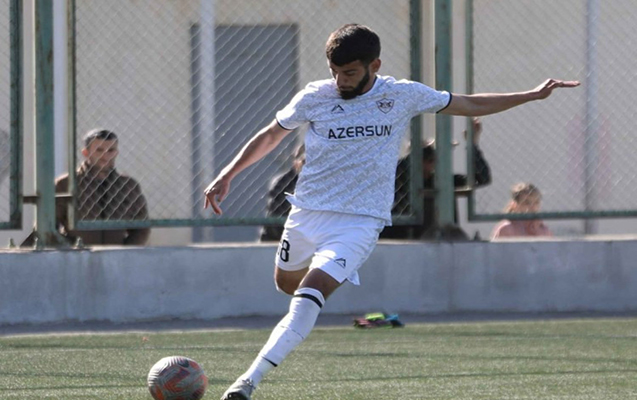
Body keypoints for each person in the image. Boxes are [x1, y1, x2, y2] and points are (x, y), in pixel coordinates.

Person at [203, 24, 578, 400]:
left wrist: (531, 95)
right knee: (287, 285)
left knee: (309, 295)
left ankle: (246, 382)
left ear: (375, 65)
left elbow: (469, 104)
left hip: (359, 223)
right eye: (335, 71)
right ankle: (302, 303)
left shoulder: (401, 95)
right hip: (307, 213)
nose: (340, 80)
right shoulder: (315, 96)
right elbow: (272, 133)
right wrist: (227, 174)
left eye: (350, 72)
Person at [381, 117, 491, 240]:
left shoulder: (443, 181)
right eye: (428, 158)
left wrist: (472, 144)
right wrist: (422, 148)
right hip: (404, 235)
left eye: (434, 159)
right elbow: (401, 167)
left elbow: (482, 178)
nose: (433, 163)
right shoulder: (401, 178)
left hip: (441, 236)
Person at [54, 129, 150, 245]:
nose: (105, 156)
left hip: (116, 253)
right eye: (99, 150)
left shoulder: (128, 186)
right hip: (79, 253)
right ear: (86, 152)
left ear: (116, 152)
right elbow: (49, 225)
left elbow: (141, 227)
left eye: (111, 150)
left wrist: (125, 250)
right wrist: (70, 249)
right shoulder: (66, 184)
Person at [259, 144, 305, 242]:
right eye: (304, 162)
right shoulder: (285, 182)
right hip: (281, 235)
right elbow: (277, 212)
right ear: (295, 163)